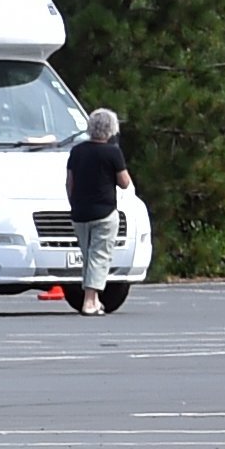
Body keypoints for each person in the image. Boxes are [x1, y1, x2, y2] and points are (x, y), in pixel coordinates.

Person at [66, 108, 133, 316]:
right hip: (104, 211)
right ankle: (89, 301)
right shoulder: (112, 152)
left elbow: (70, 183)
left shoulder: (77, 151)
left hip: (80, 212)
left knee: (88, 256)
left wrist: (74, 204)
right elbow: (124, 183)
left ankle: (93, 299)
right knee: (100, 256)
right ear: (111, 130)